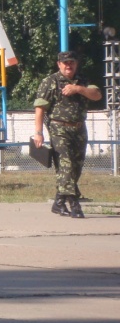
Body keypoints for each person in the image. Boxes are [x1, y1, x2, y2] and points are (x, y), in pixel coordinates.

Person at [32, 50, 102, 217]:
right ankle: (74, 204)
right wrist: (38, 132)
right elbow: (40, 108)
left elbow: (97, 95)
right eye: (65, 63)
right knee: (66, 165)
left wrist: (78, 89)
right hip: (59, 128)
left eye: (72, 62)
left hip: (79, 129)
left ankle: (58, 202)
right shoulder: (50, 81)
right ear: (59, 64)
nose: (68, 65)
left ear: (76, 64)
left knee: (76, 167)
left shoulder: (83, 80)